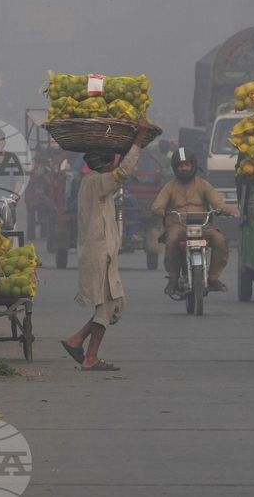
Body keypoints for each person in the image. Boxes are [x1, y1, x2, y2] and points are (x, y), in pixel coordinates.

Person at [62, 120, 149, 371]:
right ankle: (89, 356)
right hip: (99, 254)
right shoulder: (97, 182)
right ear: (104, 164)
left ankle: (76, 340)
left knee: (116, 306)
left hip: (104, 254)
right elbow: (125, 171)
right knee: (108, 306)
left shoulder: (94, 183)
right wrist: (138, 139)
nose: (114, 165)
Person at [152, 147, 232, 294]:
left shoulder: (203, 185)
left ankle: (213, 278)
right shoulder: (169, 187)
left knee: (220, 241)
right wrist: (158, 210)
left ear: (193, 166)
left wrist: (223, 208)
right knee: (171, 242)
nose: (184, 169)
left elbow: (217, 201)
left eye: (187, 165)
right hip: (178, 225)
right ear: (175, 168)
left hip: (202, 225)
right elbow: (158, 203)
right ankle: (173, 279)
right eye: (180, 166)